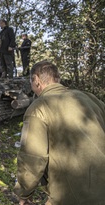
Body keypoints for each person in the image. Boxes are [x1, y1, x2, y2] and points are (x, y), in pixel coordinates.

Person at [13, 61, 105, 205]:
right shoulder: (90, 98)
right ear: (58, 79)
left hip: (73, 195)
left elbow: (33, 156)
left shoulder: (39, 107)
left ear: (36, 80)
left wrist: (24, 192)